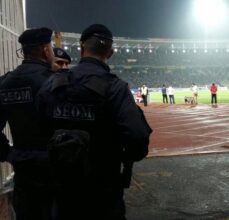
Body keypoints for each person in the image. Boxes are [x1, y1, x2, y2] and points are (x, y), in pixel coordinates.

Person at [36, 24, 152, 220]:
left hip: (63, 187)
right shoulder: (115, 87)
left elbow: (37, 124)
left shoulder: (54, 83)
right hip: (103, 188)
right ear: (111, 53)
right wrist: (124, 157)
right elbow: (137, 137)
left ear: (81, 48)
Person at [0, 27, 56, 220]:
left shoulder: (6, 83)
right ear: (45, 50)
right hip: (54, 172)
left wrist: (8, 154)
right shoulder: (54, 81)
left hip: (23, 171)